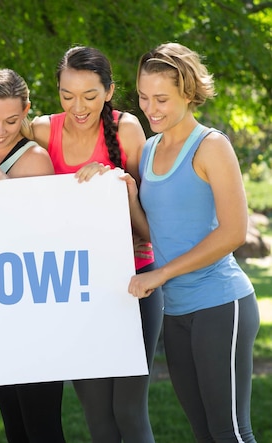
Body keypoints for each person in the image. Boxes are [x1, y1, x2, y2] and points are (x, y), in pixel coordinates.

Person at [28, 45, 164, 443]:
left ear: (108, 91)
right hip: (76, 288)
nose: (78, 106)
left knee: (128, 410)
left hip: (134, 281)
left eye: (89, 95)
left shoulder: (127, 129)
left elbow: (149, 225)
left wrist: (116, 184)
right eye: (67, 95)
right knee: (97, 416)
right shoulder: (40, 129)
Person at [126, 42, 259, 442]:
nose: (151, 108)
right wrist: (130, 194)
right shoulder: (149, 150)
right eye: (144, 97)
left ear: (188, 92)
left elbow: (234, 232)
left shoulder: (211, 146)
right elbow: (160, 231)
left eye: (162, 99)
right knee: (204, 435)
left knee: (230, 433)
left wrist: (162, 273)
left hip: (221, 304)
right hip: (177, 311)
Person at [0, 69, 63, 443]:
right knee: (15, 428)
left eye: (11, 120)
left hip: (33, 315)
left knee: (43, 429)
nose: (0, 130)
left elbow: (46, 236)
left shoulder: (33, 158)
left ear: (26, 111)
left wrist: (7, 190)